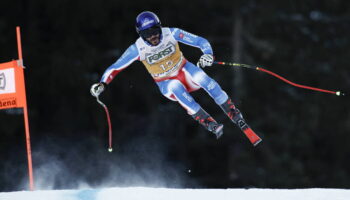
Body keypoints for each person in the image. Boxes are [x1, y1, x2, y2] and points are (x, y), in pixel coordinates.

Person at [90, 11, 245, 139]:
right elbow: (115, 68)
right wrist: (103, 83)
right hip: (166, 82)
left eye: (155, 31)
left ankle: (232, 111)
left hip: (184, 70)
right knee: (175, 86)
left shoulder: (171, 33)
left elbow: (200, 41)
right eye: (147, 34)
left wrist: (208, 55)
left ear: (160, 27)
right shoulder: (137, 49)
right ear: (140, 34)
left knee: (201, 77)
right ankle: (209, 122)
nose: (153, 37)